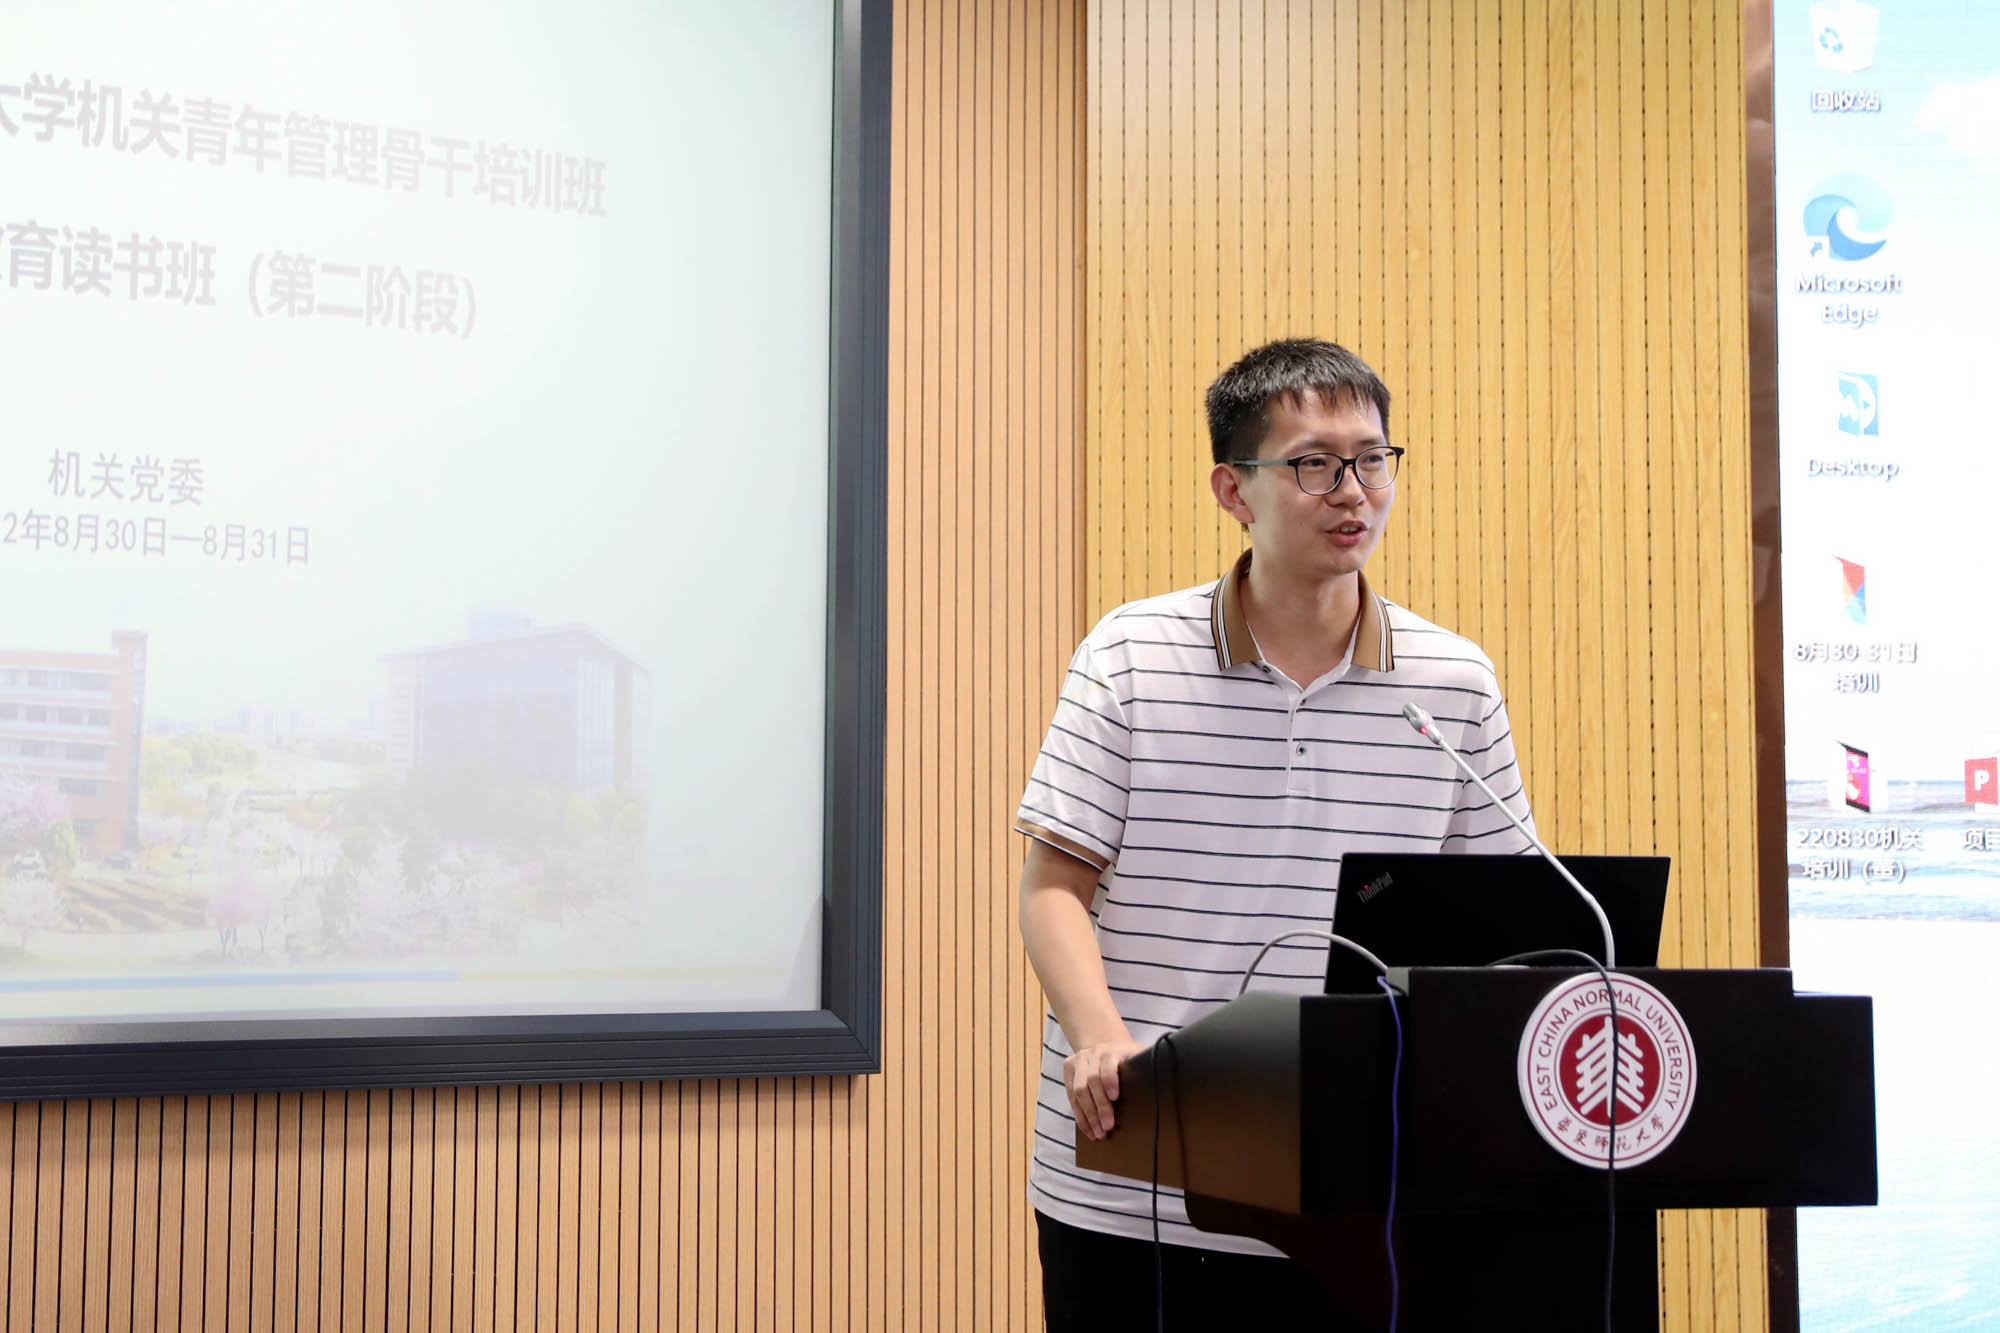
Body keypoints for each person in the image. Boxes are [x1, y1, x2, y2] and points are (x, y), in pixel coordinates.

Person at [1014, 337, 1537, 1329]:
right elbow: (1052, 888)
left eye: (1371, 459)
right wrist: (1099, 1039)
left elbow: (1503, 929)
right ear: (1233, 489)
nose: (1353, 491)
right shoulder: (1130, 655)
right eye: (1313, 464)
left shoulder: (1452, 683)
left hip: (1354, 1192)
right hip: (1138, 1176)